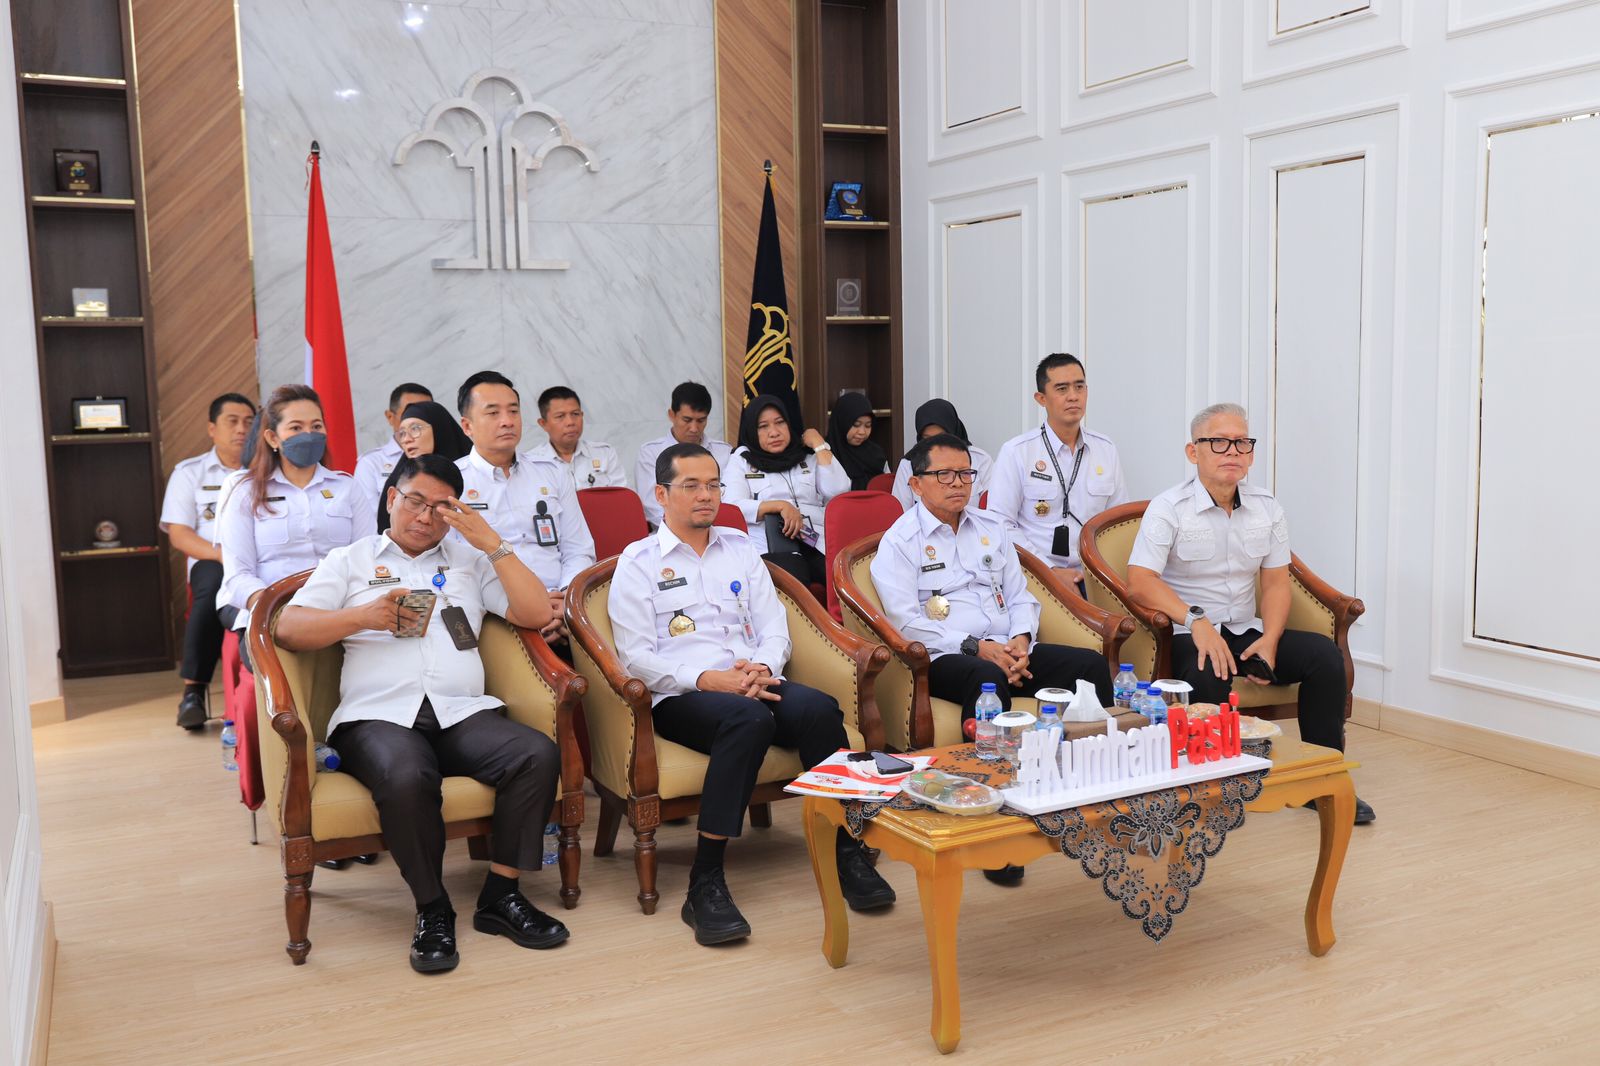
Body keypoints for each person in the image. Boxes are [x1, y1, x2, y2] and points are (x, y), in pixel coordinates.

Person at [274, 454, 568, 974]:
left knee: (535, 753)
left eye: (441, 508)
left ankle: (501, 895)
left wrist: (492, 543)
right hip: (378, 715)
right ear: (392, 498)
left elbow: (536, 612)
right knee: (407, 774)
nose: (425, 516)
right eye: (415, 501)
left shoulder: (468, 561)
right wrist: (361, 616)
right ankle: (433, 908)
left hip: (460, 712)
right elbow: (289, 628)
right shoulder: (350, 560)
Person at [608, 443, 895, 945]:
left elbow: (774, 626)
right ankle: (705, 880)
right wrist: (708, 679)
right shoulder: (638, 562)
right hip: (682, 696)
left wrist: (763, 667)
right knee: (748, 720)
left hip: (754, 681)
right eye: (691, 486)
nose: (706, 495)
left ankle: (846, 852)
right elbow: (636, 659)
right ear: (661, 494)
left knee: (818, 710)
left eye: (713, 485)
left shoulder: (740, 548)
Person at [873, 433, 1115, 885]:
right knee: (985, 678)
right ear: (916, 484)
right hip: (945, 657)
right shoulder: (900, 542)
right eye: (944, 474)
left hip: (1009, 647)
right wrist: (978, 647)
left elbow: (1021, 597)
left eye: (965, 473)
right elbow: (906, 623)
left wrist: (1021, 640)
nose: (957, 483)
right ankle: (992, 826)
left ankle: (1094, 799)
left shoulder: (991, 528)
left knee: (1089, 667)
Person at [1125, 403, 1374, 825]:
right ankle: (1215, 790)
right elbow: (1140, 580)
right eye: (1219, 442)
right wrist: (1196, 621)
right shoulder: (1169, 507)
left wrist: (1271, 639)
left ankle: (1322, 778)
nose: (1233, 451)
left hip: (1245, 630)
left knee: (1323, 657)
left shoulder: (1266, 506)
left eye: (1242, 442)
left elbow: (1275, 583)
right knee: (1208, 671)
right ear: (1193, 451)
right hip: (1187, 634)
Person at [216, 385, 361, 673]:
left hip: (339, 610)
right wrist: (275, 611)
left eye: (316, 426)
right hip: (271, 614)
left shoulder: (347, 487)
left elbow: (365, 559)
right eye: (296, 427)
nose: (308, 434)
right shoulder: (245, 492)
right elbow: (238, 575)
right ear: (273, 437)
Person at [454, 371, 596, 648]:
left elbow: (578, 549)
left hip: (563, 609)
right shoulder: (454, 483)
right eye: (493, 413)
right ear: (467, 426)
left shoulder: (552, 472)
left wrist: (565, 600)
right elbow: (454, 568)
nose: (507, 421)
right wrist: (528, 609)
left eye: (513, 411)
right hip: (497, 615)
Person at [988, 353, 1128, 587]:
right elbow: (1000, 524)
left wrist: (1101, 571)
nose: (1073, 396)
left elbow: (1117, 521)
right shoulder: (1017, 452)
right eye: (1062, 389)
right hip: (1035, 576)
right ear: (1041, 398)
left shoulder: (1105, 449)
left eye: (1079, 387)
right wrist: (1049, 570)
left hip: (1095, 575)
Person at [160, 392, 256, 730]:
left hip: (260, 558)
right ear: (212, 429)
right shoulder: (190, 473)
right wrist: (224, 555)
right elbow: (179, 534)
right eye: (233, 421)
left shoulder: (266, 470)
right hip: (212, 558)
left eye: (249, 422)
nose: (242, 429)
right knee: (213, 584)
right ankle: (193, 692)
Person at [721, 394, 850, 589]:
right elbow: (732, 506)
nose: (774, 432)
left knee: (844, 577)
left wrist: (818, 444)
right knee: (793, 575)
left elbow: (838, 489)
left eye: (780, 422)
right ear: (752, 431)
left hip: (816, 540)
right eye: (763, 426)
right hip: (772, 545)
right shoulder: (742, 460)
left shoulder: (806, 455)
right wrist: (780, 506)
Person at [355, 400, 472, 539]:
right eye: (402, 433)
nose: (406, 439)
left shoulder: (472, 471)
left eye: (415, 429)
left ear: (438, 428)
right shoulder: (399, 478)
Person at [634, 381, 733, 526]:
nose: (694, 428)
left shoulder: (725, 452)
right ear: (671, 415)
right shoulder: (651, 453)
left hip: (719, 529)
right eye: (687, 420)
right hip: (670, 531)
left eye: (701, 420)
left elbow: (730, 500)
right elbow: (653, 507)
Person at [890, 399, 993, 510]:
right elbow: (901, 512)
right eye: (928, 439)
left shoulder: (980, 459)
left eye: (943, 438)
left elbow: (992, 508)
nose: (936, 445)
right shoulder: (908, 464)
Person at [353, 382, 433, 522]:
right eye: (408, 413)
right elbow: (369, 519)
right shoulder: (371, 463)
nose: (416, 419)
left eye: (424, 414)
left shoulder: (450, 457)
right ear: (390, 417)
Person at [527, 386, 627, 491]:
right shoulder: (531, 464)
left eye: (575, 414)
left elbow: (621, 497)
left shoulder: (604, 454)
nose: (570, 422)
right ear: (543, 424)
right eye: (560, 416)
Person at [825, 391, 889, 491]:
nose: (862, 432)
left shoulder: (876, 454)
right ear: (841, 422)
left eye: (868, 425)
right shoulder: (825, 453)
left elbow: (887, 487)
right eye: (856, 425)